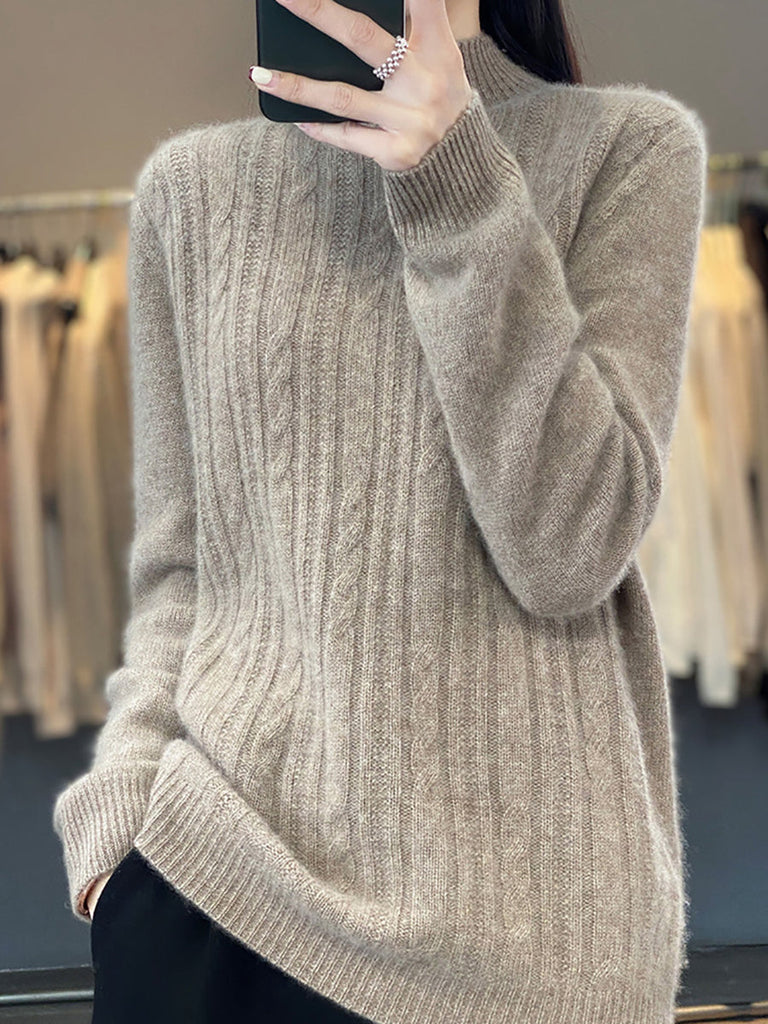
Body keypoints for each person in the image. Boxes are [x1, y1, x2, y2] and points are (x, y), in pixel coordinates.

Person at [53, 0, 709, 1019]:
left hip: (522, 948)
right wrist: (115, 832)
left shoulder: (627, 149)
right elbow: (183, 571)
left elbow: (569, 550)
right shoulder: (190, 191)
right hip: (212, 894)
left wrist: (456, 181)